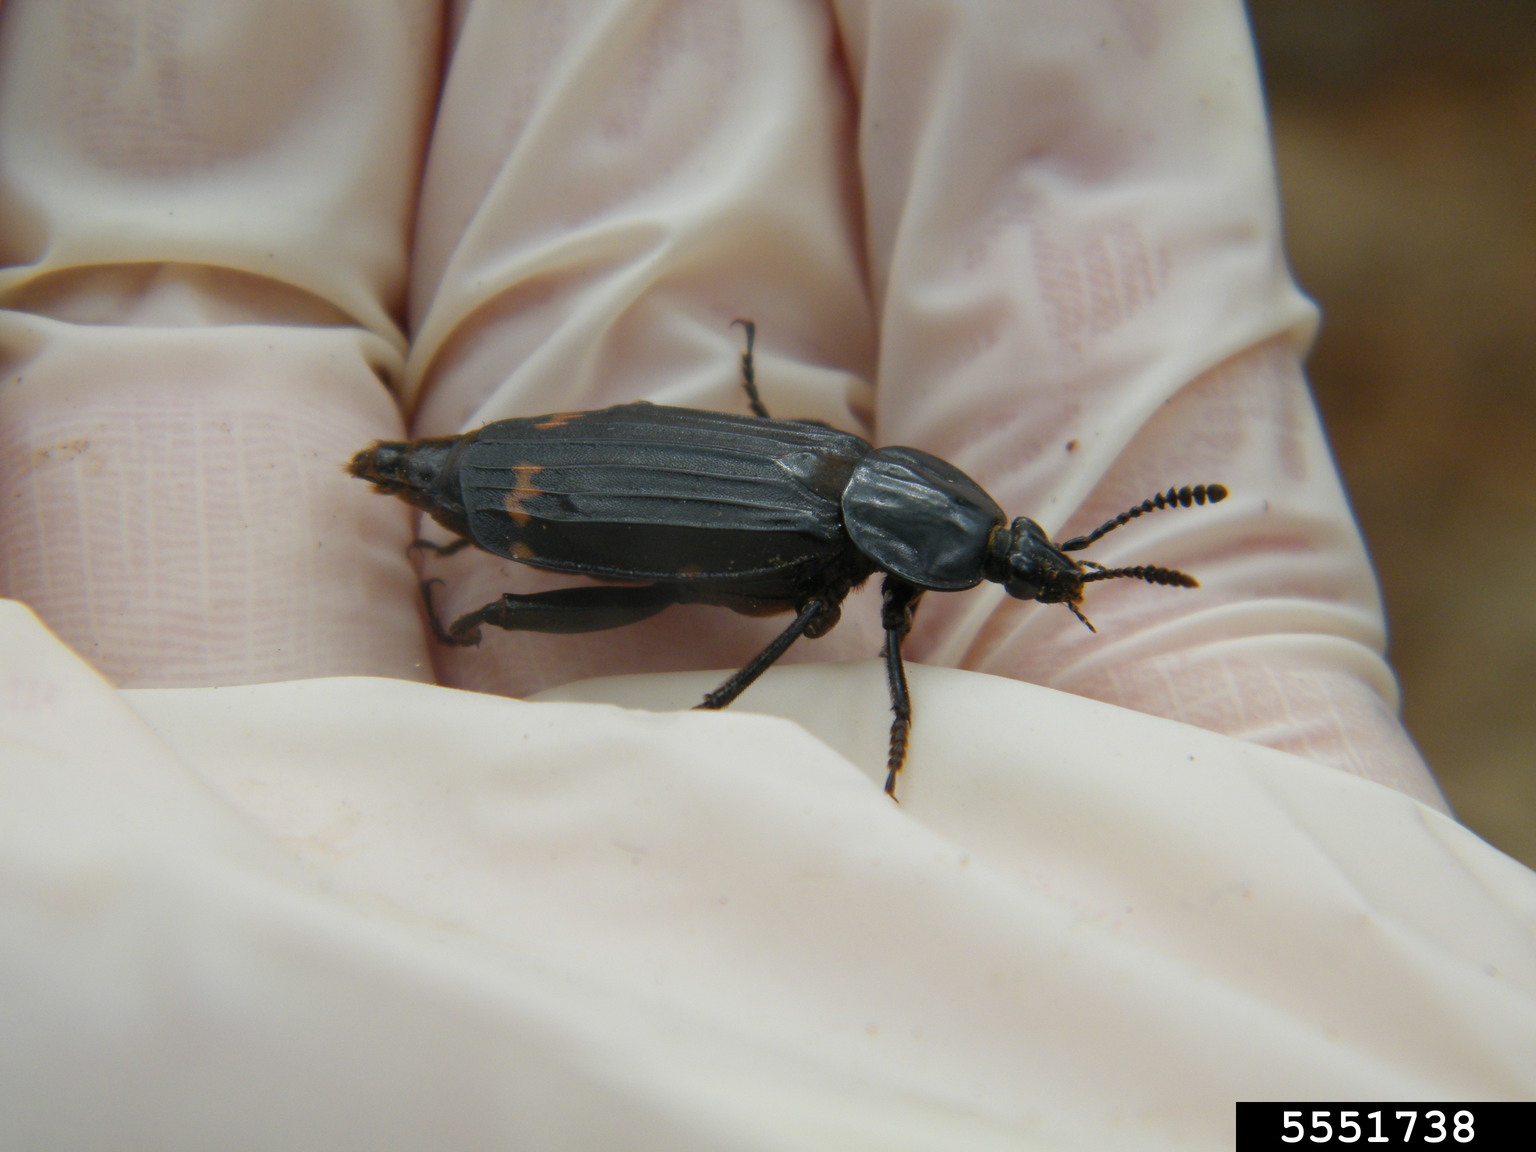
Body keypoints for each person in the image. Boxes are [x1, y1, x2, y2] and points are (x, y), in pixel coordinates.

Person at [2, 4, 1528, 1147]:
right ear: (946, 540)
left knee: (610, 565)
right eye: (1024, 558)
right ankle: (472, 572)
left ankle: (465, 555)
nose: (1033, 563)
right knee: (610, 589)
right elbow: (850, 643)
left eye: (1026, 559)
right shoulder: (834, 560)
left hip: (545, 466)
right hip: (531, 484)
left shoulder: (842, 488)